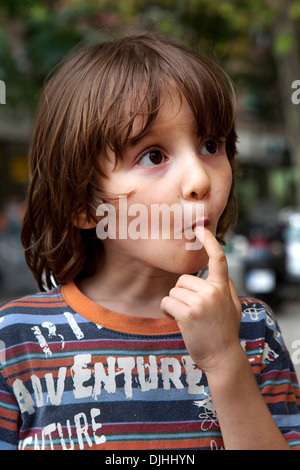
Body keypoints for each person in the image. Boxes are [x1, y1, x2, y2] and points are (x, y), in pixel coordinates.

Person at [0, 32, 299, 451]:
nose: (199, 180)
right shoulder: (15, 341)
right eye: (153, 156)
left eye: (211, 146)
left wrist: (224, 360)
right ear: (82, 204)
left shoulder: (252, 331)